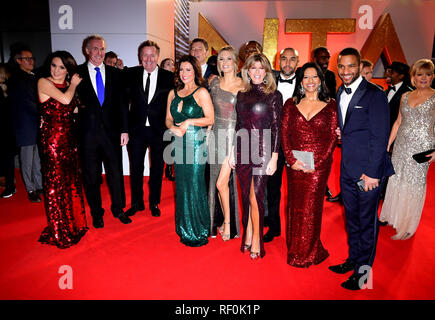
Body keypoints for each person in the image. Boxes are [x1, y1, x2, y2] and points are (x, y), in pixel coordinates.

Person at [329, 48, 394, 290]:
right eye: (342, 66)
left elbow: (380, 137)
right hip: (347, 169)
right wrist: (341, 135)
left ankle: (364, 273)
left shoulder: (374, 95)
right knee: (352, 220)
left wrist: (373, 174)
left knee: (367, 223)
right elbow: (352, 129)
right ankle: (353, 260)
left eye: (351, 66)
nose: (346, 71)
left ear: (359, 67)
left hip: (368, 172)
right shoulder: (339, 92)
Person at [281, 62, 337, 267]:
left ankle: (309, 251)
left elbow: (332, 138)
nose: (311, 81)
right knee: (295, 205)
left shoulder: (331, 105)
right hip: (294, 165)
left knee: (311, 207)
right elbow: (285, 134)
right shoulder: (290, 104)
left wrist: (318, 164)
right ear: (301, 81)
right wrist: (290, 159)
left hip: (318, 167)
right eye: (306, 77)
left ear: (321, 81)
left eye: (315, 77)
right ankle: (294, 248)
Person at [230, 53, 282, 260]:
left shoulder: (273, 95)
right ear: (247, 71)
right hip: (243, 149)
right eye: (253, 68)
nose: (257, 72)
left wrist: (275, 157)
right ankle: (248, 234)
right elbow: (238, 125)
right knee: (246, 197)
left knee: (255, 197)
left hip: (263, 150)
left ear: (267, 72)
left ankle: (257, 241)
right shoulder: (242, 94)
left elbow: (277, 127)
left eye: (261, 68)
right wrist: (233, 152)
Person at [75, 34, 131, 228]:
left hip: (112, 134)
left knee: (116, 173)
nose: (99, 53)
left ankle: (118, 209)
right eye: (95, 49)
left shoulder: (115, 74)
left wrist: (125, 129)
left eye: (102, 49)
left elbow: (123, 104)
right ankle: (97, 213)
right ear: (87, 50)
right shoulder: (77, 74)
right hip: (87, 135)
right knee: (91, 176)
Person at [37, 50, 88, 248]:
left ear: (68, 70)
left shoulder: (67, 86)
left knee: (71, 182)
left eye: (61, 67)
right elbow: (66, 101)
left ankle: (74, 224)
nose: (56, 70)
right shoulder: (44, 82)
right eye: (53, 65)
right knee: (56, 184)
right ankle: (60, 229)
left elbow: (73, 109)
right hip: (52, 141)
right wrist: (74, 85)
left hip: (68, 139)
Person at [380, 59, 435, 240]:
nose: (423, 78)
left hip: (421, 148)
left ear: (432, 77)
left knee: (414, 184)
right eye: (420, 74)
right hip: (401, 145)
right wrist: (388, 144)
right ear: (413, 77)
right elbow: (398, 122)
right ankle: (392, 216)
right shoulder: (405, 96)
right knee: (396, 179)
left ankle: (407, 226)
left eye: (427, 74)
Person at [166, 55, 214, 246]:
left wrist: (188, 121)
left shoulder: (201, 92)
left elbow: (210, 119)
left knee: (195, 185)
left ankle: (200, 228)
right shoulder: (173, 93)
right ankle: (184, 227)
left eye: (188, 69)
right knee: (182, 185)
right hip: (178, 143)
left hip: (196, 144)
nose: (184, 73)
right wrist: (172, 127)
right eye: (182, 70)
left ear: (195, 72)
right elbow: (168, 119)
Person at [123, 40, 174, 218]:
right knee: (136, 166)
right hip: (136, 130)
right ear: (140, 57)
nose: (149, 58)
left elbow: (174, 105)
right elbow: (122, 102)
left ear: (158, 56)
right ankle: (137, 203)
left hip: (159, 131)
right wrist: (124, 129)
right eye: (145, 55)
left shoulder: (169, 77)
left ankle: (154, 202)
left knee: (157, 168)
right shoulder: (131, 74)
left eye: (152, 55)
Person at [264, 47, 300, 243]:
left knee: (298, 188)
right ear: (278, 61)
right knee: (273, 187)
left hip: (298, 143)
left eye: (292, 59)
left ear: (297, 62)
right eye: (284, 59)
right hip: (274, 142)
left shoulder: (305, 84)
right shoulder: (269, 82)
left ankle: (297, 229)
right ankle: (273, 225)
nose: (287, 63)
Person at [208, 46, 244, 240]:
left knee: (222, 182)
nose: (224, 62)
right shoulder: (214, 83)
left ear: (236, 62)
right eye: (221, 59)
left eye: (228, 58)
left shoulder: (244, 85)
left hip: (233, 137)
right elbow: (210, 112)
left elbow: (245, 116)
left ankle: (229, 224)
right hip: (215, 136)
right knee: (217, 182)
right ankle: (222, 221)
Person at [8, 46, 43, 202]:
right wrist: (42, 112)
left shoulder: (32, 76)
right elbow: (26, 102)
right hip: (25, 124)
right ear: (18, 61)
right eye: (27, 59)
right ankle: (30, 189)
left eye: (32, 58)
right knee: (27, 159)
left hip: (35, 122)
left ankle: (39, 184)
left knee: (37, 158)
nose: (31, 61)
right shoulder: (17, 79)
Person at [311, 46, 340, 203]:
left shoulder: (330, 75)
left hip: (325, 122)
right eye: (322, 57)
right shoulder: (306, 72)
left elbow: (332, 97)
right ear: (314, 58)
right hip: (309, 121)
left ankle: (323, 184)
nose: (326, 61)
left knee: (326, 156)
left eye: (327, 58)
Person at [0, 63, 17, 199]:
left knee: (7, 159)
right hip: (9, 129)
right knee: (7, 159)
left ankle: (10, 185)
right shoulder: (10, 89)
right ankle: (9, 184)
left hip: (6, 129)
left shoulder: (10, 89)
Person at [160, 57, 176, 181]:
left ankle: (169, 169)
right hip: (160, 118)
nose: (171, 66)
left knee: (171, 145)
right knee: (161, 145)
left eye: (172, 64)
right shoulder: (159, 81)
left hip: (173, 118)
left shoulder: (177, 82)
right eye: (168, 64)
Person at [384, 61, 413, 130]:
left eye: (391, 72)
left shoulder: (409, 92)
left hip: (398, 132)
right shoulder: (385, 91)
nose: (387, 74)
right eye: (387, 71)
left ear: (401, 76)